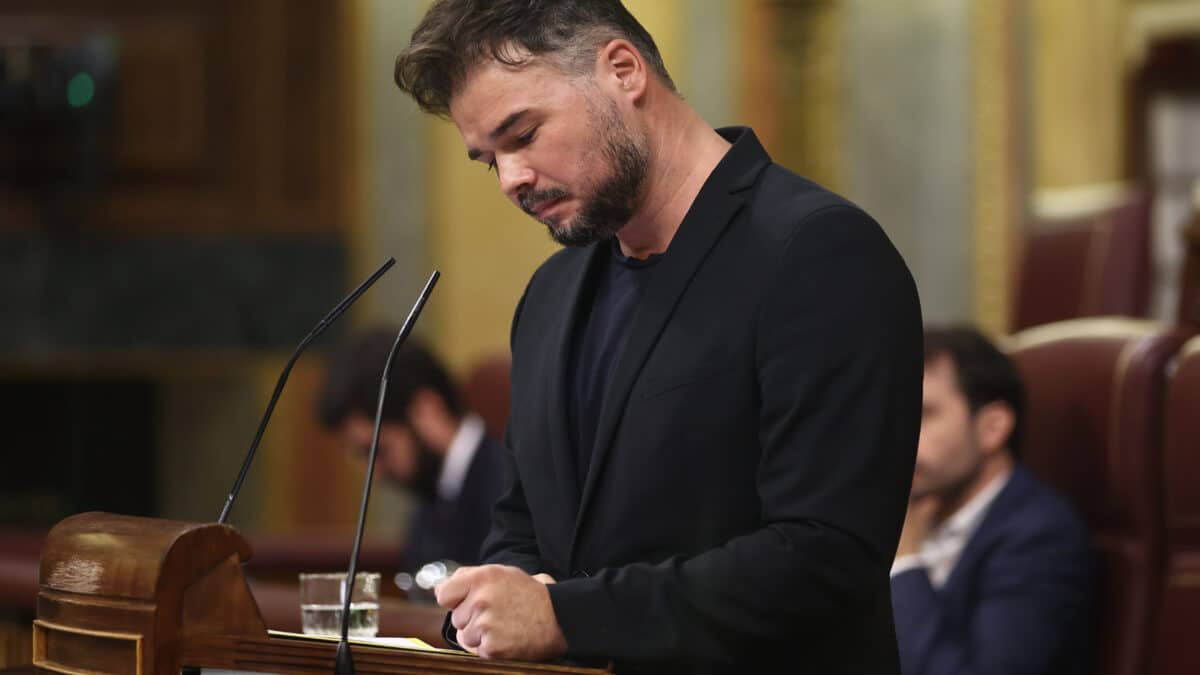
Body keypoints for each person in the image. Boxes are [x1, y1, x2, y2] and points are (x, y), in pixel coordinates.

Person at [393, 1, 924, 672]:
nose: (510, 180)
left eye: (522, 135)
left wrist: (568, 616)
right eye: (487, 160)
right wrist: (494, 606)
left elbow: (825, 556)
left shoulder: (817, 252)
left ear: (622, 70)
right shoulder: (550, 297)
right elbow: (523, 528)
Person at [891, 326, 1094, 675]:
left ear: (992, 428)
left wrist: (906, 558)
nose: (897, 436)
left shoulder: (1039, 537)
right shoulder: (918, 508)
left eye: (922, 414)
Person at [318, 327, 505, 575]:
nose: (375, 473)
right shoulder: (432, 500)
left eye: (378, 451)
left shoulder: (510, 487)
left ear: (427, 409)